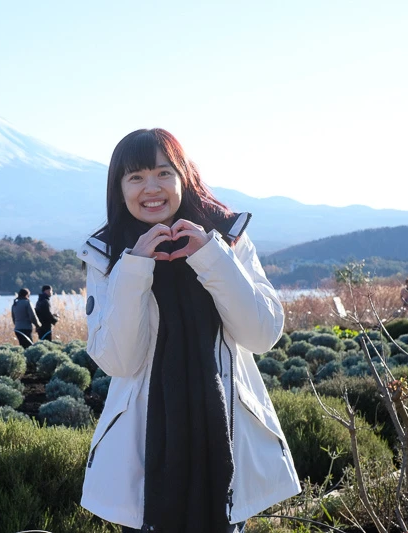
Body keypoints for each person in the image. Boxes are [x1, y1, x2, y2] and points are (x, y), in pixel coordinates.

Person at [77, 129, 300, 532]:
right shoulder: (106, 254)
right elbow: (119, 360)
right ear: (119, 188)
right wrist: (135, 266)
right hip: (141, 456)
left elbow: (263, 334)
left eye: (163, 173)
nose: (151, 188)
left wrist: (212, 256)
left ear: (184, 176)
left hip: (226, 443)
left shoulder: (228, 238)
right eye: (136, 177)